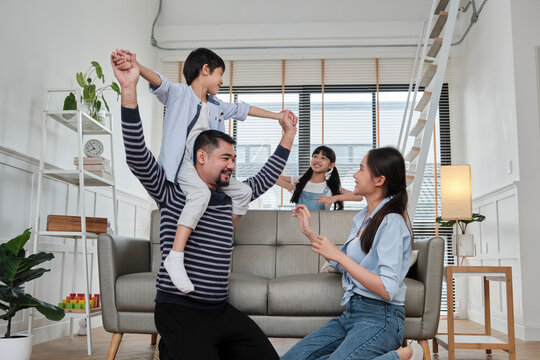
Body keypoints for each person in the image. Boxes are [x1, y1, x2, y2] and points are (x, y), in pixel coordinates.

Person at [111, 52, 296, 360]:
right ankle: (173, 347)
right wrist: (129, 89)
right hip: (179, 310)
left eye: (234, 160)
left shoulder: (227, 195)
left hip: (218, 311)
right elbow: (136, 155)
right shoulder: (171, 190)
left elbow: (262, 180)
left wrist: (287, 134)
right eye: (226, 159)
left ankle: (173, 350)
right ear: (201, 157)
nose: (232, 166)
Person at [282, 147, 423, 360]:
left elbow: (388, 289)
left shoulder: (391, 222)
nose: (355, 175)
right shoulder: (363, 218)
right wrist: (310, 233)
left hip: (381, 318)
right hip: (351, 313)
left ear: (379, 180)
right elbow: (342, 266)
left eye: (361, 169)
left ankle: (405, 355)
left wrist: (339, 256)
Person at [276, 145, 363, 210]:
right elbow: (272, 178)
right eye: (315, 156)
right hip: (297, 225)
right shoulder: (300, 180)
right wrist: (287, 186)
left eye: (323, 158)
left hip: (320, 228)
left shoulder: (332, 187)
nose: (317, 160)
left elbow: (359, 197)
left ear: (331, 165)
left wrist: (334, 198)